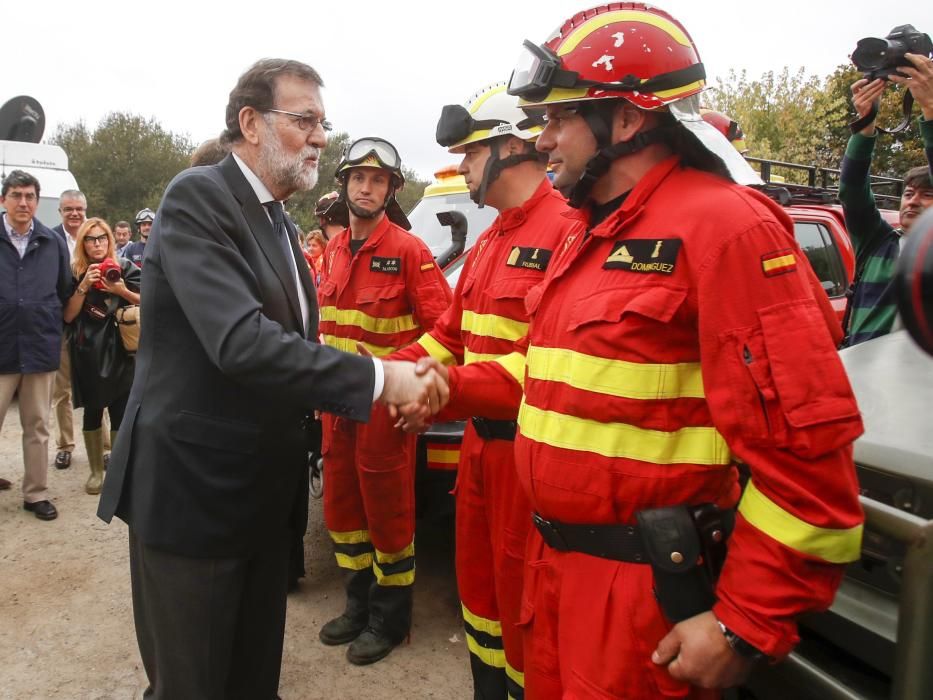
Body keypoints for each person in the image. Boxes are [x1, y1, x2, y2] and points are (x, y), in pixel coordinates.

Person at [411, 6, 866, 697]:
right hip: (554, 570)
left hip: (641, 600)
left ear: (624, 120)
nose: (542, 140)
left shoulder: (726, 229)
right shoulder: (584, 233)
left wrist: (743, 623)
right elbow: (551, 376)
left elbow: (808, 466)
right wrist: (447, 386)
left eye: (557, 118)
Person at [96, 58, 446, 699]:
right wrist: (380, 380)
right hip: (194, 501)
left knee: (253, 682)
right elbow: (241, 343)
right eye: (304, 120)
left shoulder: (282, 222)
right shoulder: (199, 195)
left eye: (323, 122)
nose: (320, 137)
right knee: (195, 686)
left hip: (258, 499)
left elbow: (295, 343)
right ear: (250, 122)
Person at [391, 82, 581, 699]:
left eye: (471, 153)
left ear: (511, 148)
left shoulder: (568, 233)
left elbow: (543, 372)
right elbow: (447, 336)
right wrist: (380, 375)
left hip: (530, 461)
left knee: (527, 608)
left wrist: (437, 388)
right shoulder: (490, 240)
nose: (462, 166)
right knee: (481, 594)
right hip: (480, 452)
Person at [317, 136, 452, 665]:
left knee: (389, 516)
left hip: (383, 414)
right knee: (343, 510)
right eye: (357, 178)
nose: (365, 188)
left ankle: (390, 620)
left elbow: (444, 332)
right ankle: (356, 606)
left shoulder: (409, 251)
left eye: (376, 180)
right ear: (345, 185)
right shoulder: (331, 250)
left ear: (391, 190)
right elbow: (324, 332)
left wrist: (419, 396)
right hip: (336, 409)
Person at [840, 52, 933, 346]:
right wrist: (865, 120)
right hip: (866, 383)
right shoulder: (878, 242)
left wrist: (929, 108)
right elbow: (852, 188)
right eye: (908, 193)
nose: (913, 201)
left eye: (928, 195)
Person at [0, 170, 71, 521]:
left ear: (37, 201)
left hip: (40, 347)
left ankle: (36, 493)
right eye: (16, 195)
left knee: (37, 425)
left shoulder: (51, 242)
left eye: (29, 196)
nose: (23, 202)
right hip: (1, 348)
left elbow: (63, 292)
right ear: (3, 200)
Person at [63, 218, 140, 495]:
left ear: (110, 240)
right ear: (82, 243)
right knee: (93, 410)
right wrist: (84, 285)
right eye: (91, 239)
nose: (97, 244)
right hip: (87, 350)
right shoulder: (74, 272)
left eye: (102, 238)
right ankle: (96, 472)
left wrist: (120, 289)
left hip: (121, 347)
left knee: (120, 410)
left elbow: (149, 300)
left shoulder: (124, 267)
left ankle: (117, 472)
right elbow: (68, 315)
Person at [50, 189, 87, 470]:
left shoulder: (94, 235)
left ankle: (106, 447)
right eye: (69, 209)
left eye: (79, 209)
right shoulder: (50, 240)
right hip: (61, 324)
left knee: (100, 383)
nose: (74, 214)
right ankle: (65, 445)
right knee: (62, 391)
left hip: (92, 325)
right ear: (60, 212)